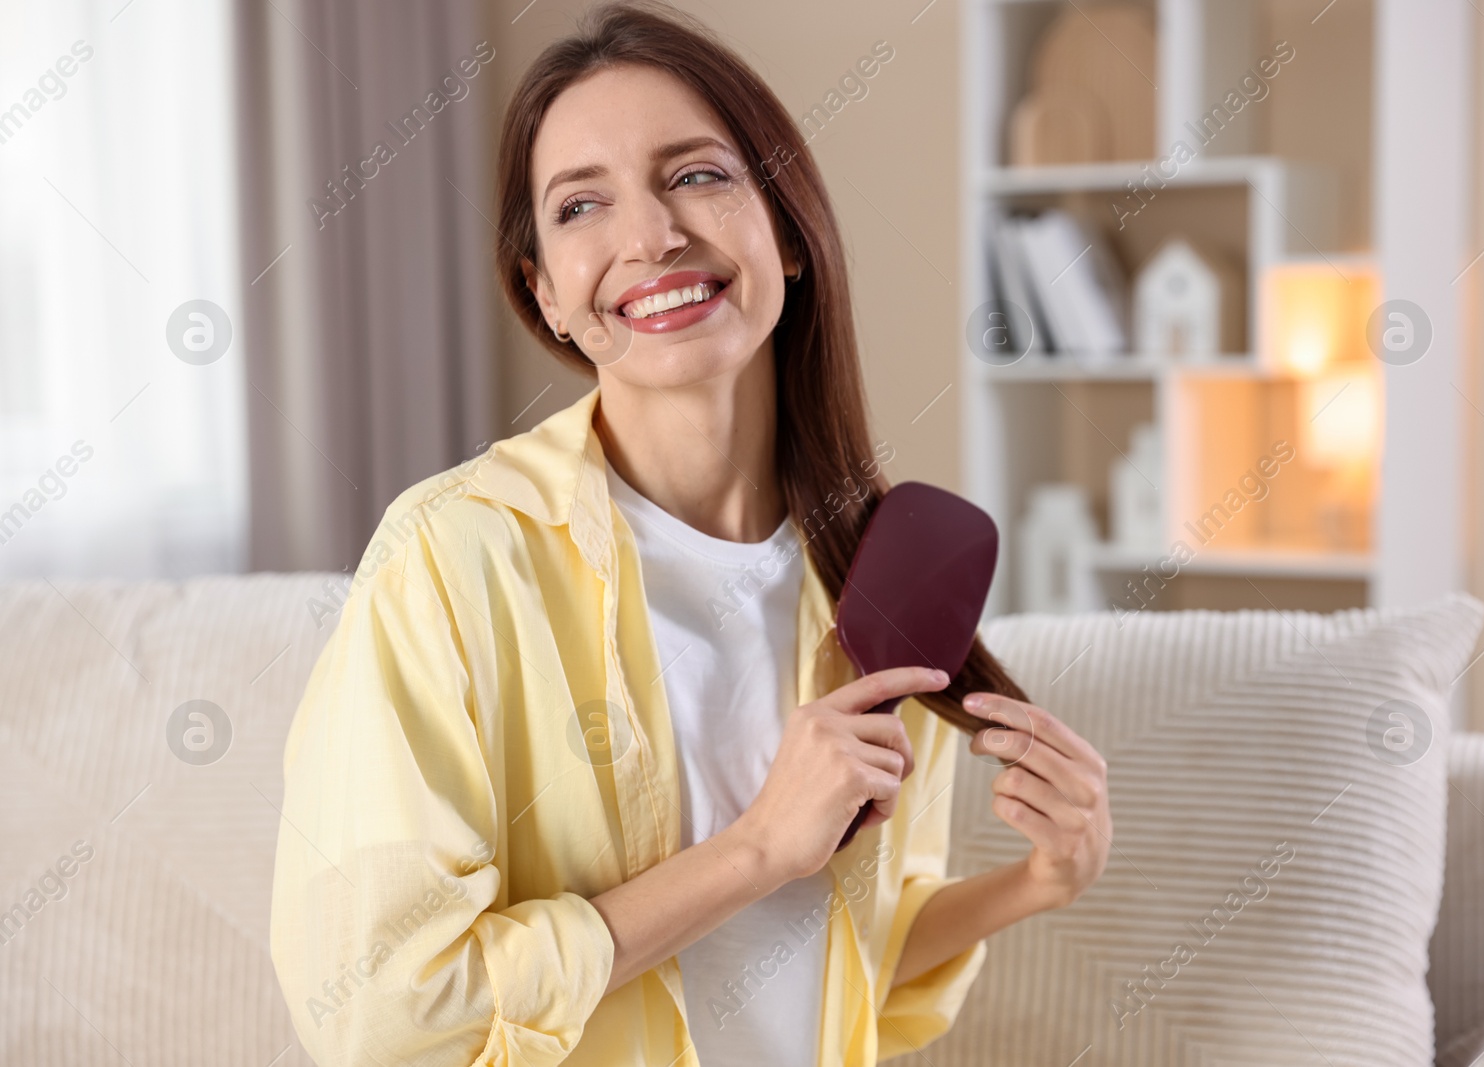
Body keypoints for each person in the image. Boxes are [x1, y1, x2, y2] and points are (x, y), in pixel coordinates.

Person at [267, 3, 1111, 1065]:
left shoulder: (885, 567)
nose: (650, 236)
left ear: (787, 233)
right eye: (581, 205)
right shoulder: (451, 561)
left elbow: (842, 964)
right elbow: (385, 1011)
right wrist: (754, 847)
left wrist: (1038, 880)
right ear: (547, 296)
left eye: (698, 176)